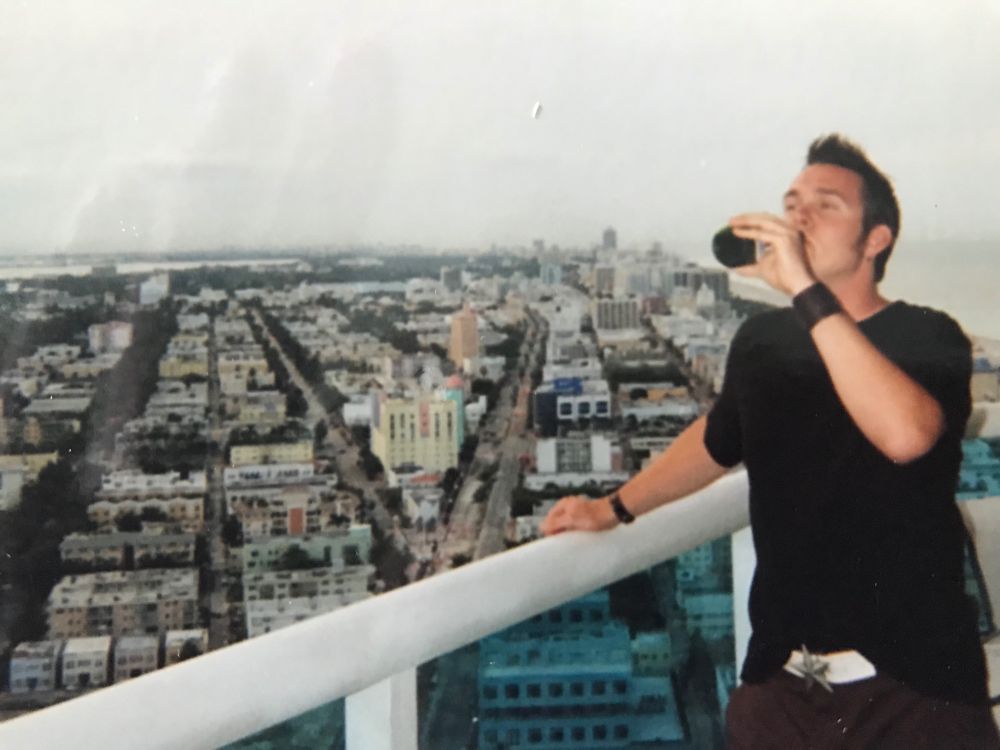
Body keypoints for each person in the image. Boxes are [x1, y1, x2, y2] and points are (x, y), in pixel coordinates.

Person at [540, 134, 999, 747]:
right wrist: (613, 507)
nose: (799, 217)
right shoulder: (763, 341)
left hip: (913, 687)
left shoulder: (927, 334)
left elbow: (906, 435)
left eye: (827, 205)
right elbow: (716, 440)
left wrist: (806, 293)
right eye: (791, 204)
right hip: (782, 684)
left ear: (876, 240)